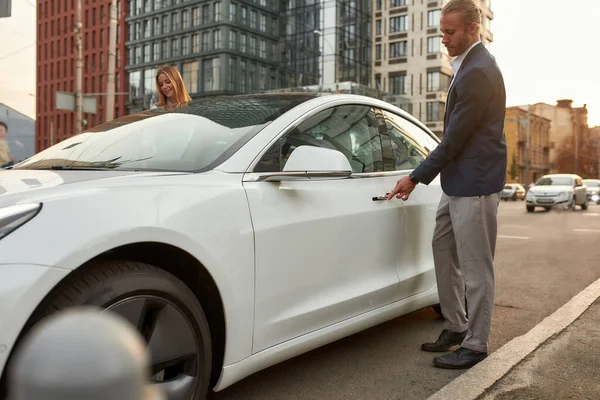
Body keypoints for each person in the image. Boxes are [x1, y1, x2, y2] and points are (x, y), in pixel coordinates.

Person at [386, 0, 507, 369]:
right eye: (442, 31)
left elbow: (453, 139)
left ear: (473, 29)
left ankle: (476, 343)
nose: (444, 39)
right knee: (442, 245)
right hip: (459, 180)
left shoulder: (478, 71)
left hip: (475, 183)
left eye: (450, 32)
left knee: (476, 266)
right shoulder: (468, 66)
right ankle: (456, 325)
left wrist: (415, 177)